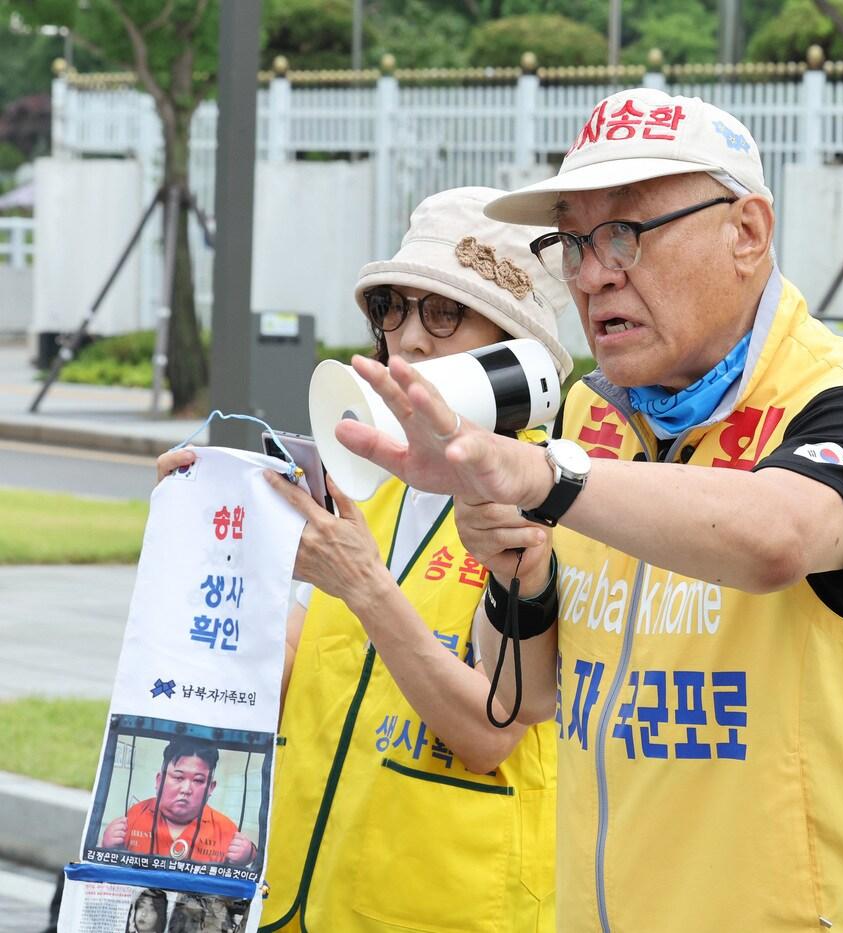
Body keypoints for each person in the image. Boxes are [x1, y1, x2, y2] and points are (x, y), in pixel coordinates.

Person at [333, 88, 843, 931]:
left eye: (625, 233)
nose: (593, 274)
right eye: (574, 242)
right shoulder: (591, 413)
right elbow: (526, 694)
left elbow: (775, 536)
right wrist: (519, 576)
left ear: (747, 232)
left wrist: (542, 475)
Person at [156, 188, 573, 932]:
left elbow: (490, 732)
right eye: (390, 308)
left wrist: (362, 585)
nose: (407, 339)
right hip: (301, 899)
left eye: (443, 313)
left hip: (450, 909)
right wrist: (207, 552)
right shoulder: (364, 476)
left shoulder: (555, 494)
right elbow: (278, 676)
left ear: (512, 343)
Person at [99, 738, 256, 866]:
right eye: (178, 777)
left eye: (198, 780)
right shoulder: (135, 815)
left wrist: (248, 855)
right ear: (159, 780)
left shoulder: (225, 829)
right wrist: (106, 846)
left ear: (211, 787)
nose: (186, 789)